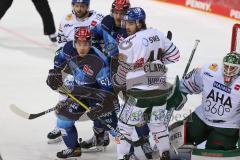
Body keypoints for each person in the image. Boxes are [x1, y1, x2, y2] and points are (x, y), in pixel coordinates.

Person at [113, 7, 180, 160]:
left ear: (140, 22)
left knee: (124, 127)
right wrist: (158, 61)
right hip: (161, 91)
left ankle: (122, 157)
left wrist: (116, 83)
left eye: (130, 23)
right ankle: (164, 153)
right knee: (157, 125)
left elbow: (122, 73)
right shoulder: (157, 34)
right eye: (126, 23)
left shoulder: (126, 44)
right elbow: (175, 56)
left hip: (139, 94)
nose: (127, 27)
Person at [46, 27, 118, 159]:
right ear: (74, 43)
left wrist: (101, 106)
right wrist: (55, 72)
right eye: (79, 44)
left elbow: (107, 89)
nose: (82, 47)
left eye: (85, 44)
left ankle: (130, 150)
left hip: (98, 93)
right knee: (63, 120)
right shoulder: (68, 49)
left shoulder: (98, 60)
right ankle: (74, 149)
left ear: (90, 44)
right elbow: (59, 57)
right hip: (79, 91)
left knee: (115, 129)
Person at [47, 0, 105, 144]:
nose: (79, 9)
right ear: (72, 5)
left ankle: (101, 135)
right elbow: (62, 46)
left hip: (95, 64)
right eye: (76, 6)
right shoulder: (65, 21)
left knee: (99, 99)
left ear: (88, 6)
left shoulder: (99, 19)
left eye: (83, 6)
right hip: (73, 61)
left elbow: (108, 41)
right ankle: (61, 126)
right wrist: (57, 69)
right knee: (64, 89)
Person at [167, 52, 240, 151]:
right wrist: (178, 94)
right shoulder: (210, 71)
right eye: (226, 66)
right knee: (176, 138)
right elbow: (188, 83)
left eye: (232, 68)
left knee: (215, 154)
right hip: (202, 117)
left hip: (227, 126)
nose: (228, 70)